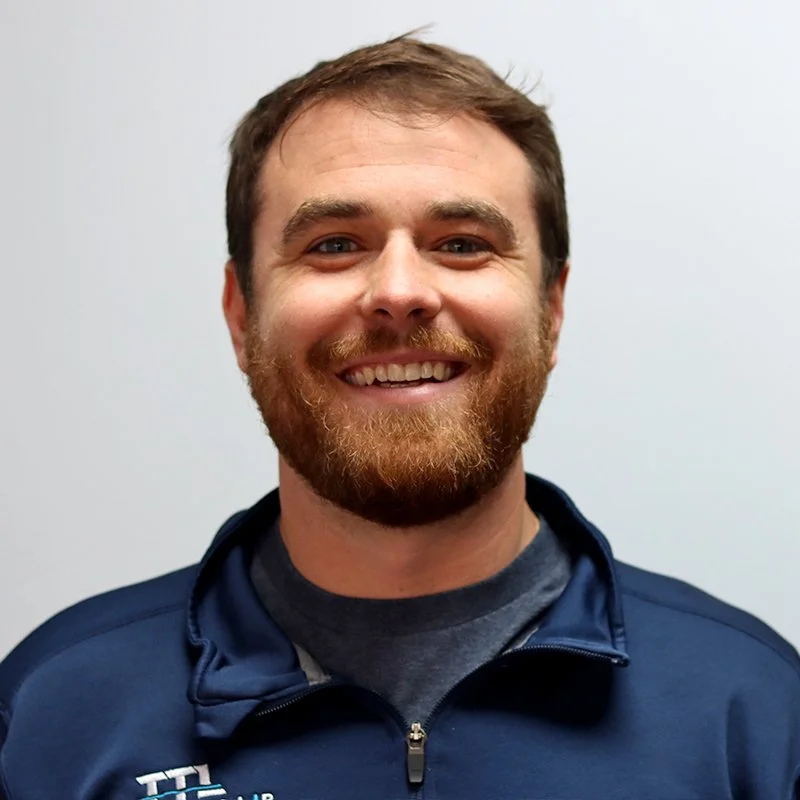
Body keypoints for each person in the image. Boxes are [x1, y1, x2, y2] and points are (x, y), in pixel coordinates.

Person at [1, 33, 798, 800]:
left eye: (462, 243)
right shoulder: (53, 712)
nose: (399, 291)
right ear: (241, 316)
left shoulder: (755, 712)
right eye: (333, 244)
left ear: (551, 312)